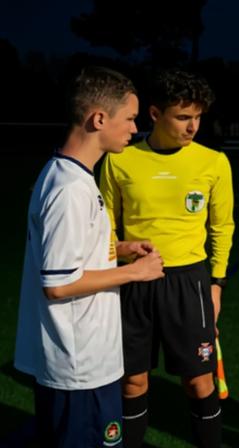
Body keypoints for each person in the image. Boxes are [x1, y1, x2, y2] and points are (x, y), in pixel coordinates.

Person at [14, 66, 165, 447]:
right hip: (79, 367)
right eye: (129, 118)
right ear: (99, 118)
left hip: (82, 362)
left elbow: (71, 258)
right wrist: (137, 273)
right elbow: (59, 284)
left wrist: (120, 251)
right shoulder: (70, 190)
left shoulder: (71, 176)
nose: (135, 128)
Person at [99, 69, 235, 448]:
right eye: (182, 117)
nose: (193, 126)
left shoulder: (214, 163)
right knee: (132, 380)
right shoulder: (120, 160)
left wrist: (217, 284)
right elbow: (105, 227)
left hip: (188, 283)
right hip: (133, 283)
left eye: (197, 117)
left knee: (198, 381)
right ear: (155, 114)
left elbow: (222, 227)